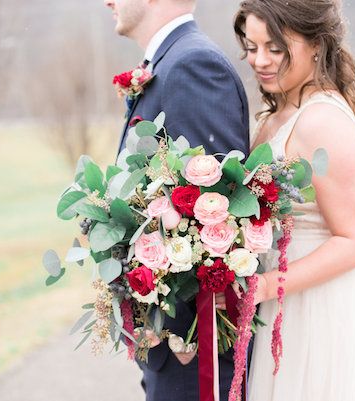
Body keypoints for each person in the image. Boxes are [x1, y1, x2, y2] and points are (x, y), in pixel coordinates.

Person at [219, 0, 355, 400]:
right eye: (251, 47)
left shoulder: (322, 120)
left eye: (276, 48)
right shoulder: (278, 113)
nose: (259, 60)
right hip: (287, 298)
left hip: (325, 305)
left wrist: (264, 286)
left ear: (316, 43)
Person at [103, 1, 250, 400]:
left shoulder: (193, 66)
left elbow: (218, 216)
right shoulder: (168, 63)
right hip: (168, 347)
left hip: (193, 353)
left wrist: (186, 338)